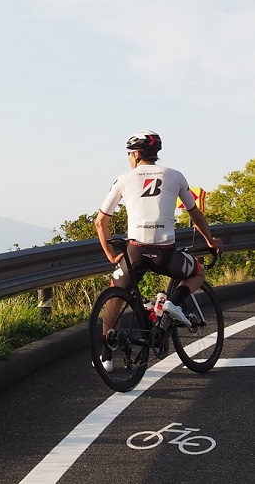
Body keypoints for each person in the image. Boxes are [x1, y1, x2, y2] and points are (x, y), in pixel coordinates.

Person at [94, 130, 223, 372]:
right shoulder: (175, 176)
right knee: (196, 272)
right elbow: (194, 213)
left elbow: (100, 222)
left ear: (135, 154)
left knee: (116, 293)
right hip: (166, 253)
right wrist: (210, 240)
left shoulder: (124, 179)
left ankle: (106, 356)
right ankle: (173, 303)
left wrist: (111, 255)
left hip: (135, 253)